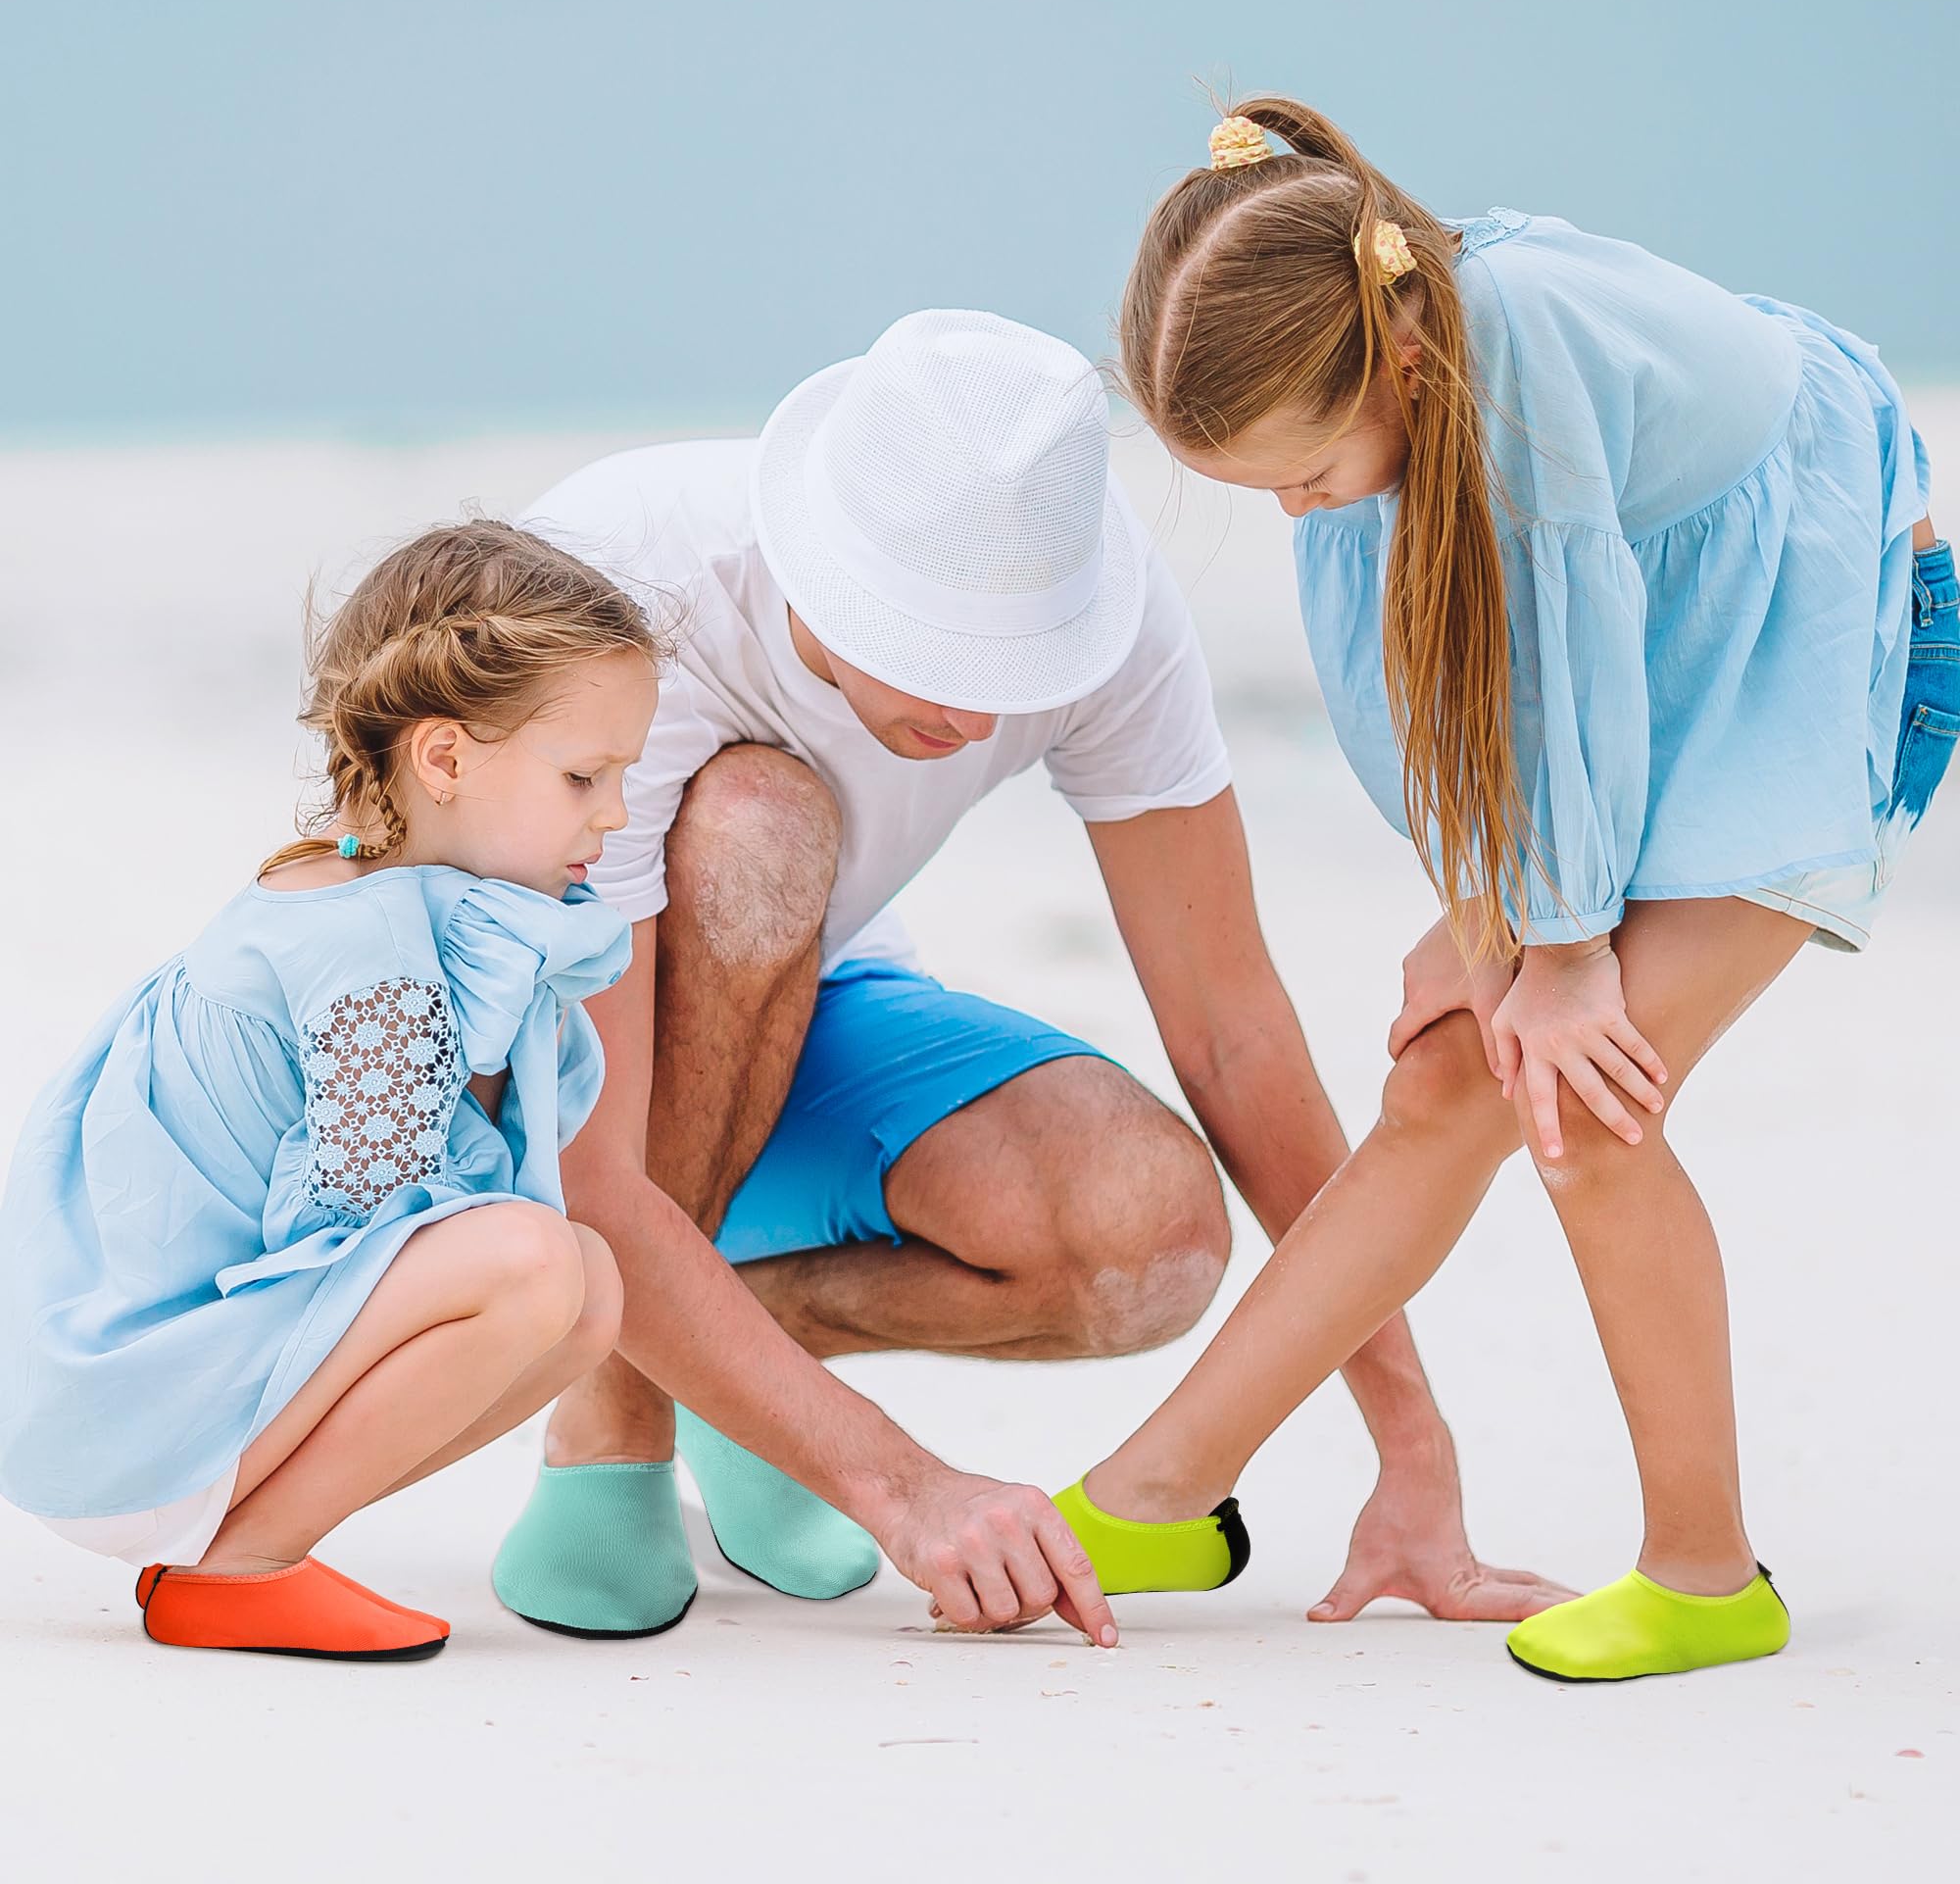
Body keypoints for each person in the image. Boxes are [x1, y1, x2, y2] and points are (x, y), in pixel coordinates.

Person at [489, 308, 1566, 1643]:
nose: (977, 716)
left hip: (789, 1015)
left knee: (1150, 1238)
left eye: (1012, 666)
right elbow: (593, 1172)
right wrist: (902, 1484)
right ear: (820, 571)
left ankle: (733, 1367)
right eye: (938, 658)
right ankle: (611, 1427)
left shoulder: (1103, 605)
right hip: (513, 1077)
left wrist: (1410, 1445)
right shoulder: (626, 604)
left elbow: (1232, 1032)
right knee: (763, 824)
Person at [1047, 99, 1952, 1682]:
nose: (1295, 508)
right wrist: (1485, 918)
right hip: (1661, 663)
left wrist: (1563, 949)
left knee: (1580, 1100)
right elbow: (1413, 684)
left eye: (1305, 472)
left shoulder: (1513, 351)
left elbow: (1570, 648)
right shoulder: (1382, 401)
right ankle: (1159, 1498)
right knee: (1446, 1079)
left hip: (1815, 633)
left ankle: (1706, 1574)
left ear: (1394, 360)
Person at [0, 522, 665, 1661]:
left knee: (591, 1288)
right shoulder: (368, 955)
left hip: (162, 1410)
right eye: (582, 775)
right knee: (538, 1262)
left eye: (621, 777)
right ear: (443, 758)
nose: (612, 812)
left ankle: (232, 1551)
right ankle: (240, 1565)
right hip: (143, 1420)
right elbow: (360, 1216)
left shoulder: (361, 892)